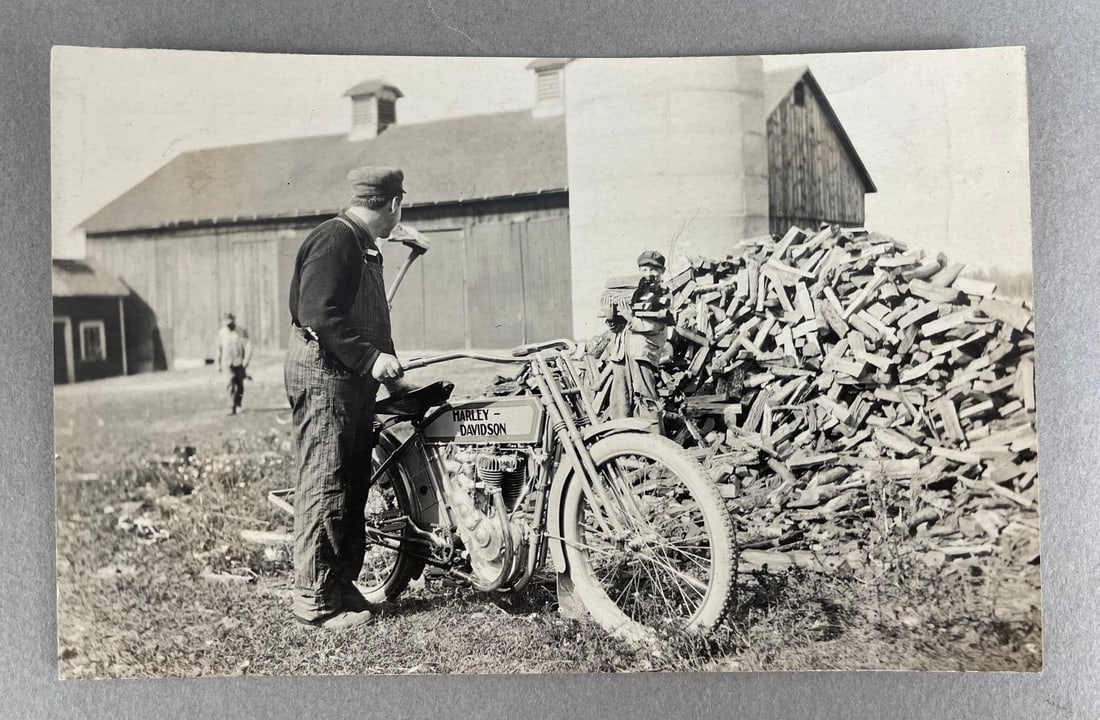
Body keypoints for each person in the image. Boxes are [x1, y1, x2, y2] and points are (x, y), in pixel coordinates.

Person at [284, 166, 407, 630]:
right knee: (326, 482)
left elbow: (371, 319)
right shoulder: (337, 239)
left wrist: (390, 374)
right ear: (395, 204)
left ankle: (340, 586)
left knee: (352, 483)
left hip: (349, 379)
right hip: (324, 376)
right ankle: (315, 602)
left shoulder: (364, 245)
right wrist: (371, 359)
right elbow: (318, 314)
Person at [608, 250, 672, 419]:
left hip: (642, 352)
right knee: (620, 400)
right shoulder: (631, 292)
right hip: (622, 352)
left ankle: (653, 439)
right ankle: (623, 440)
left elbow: (654, 326)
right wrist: (612, 320)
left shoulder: (663, 295)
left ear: (662, 271)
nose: (649, 274)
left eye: (654, 269)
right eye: (644, 270)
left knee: (645, 398)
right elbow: (620, 327)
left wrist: (629, 317)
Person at [216, 312, 252, 415]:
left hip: (239, 362)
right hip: (227, 362)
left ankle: (238, 405)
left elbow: (248, 346)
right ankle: (231, 406)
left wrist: (246, 361)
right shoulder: (222, 333)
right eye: (226, 323)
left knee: (239, 384)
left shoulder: (241, 331)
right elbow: (219, 349)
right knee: (229, 383)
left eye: (230, 323)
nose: (228, 325)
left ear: (234, 321)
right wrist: (218, 363)